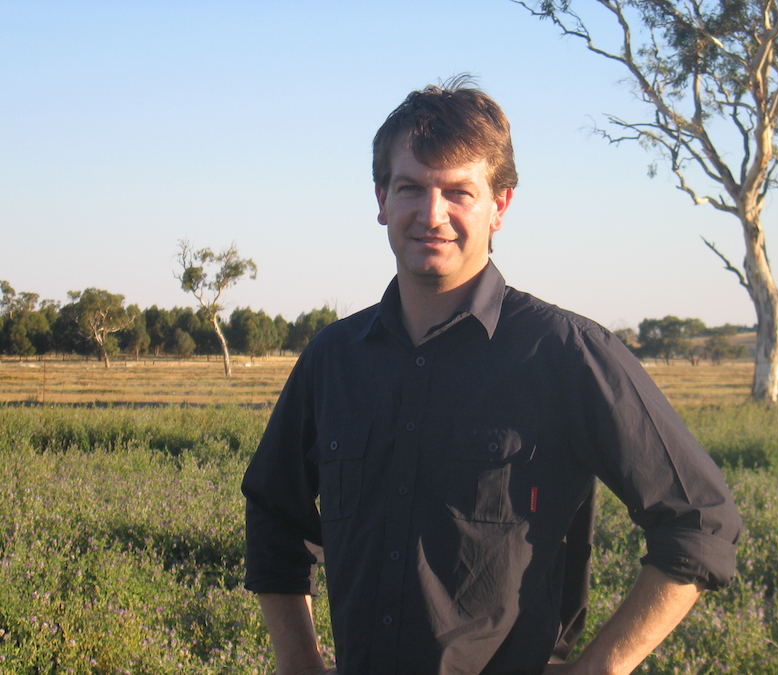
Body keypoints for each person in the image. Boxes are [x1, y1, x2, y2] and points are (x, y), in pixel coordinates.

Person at [242, 76, 741, 675]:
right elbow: (275, 510)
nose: (432, 214)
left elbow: (700, 521)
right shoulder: (334, 358)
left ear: (499, 206)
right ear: (380, 199)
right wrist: (298, 661)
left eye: (459, 192)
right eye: (410, 188)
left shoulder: (565, 353)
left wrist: (601, 668)